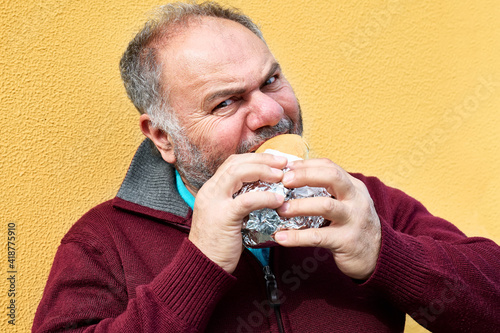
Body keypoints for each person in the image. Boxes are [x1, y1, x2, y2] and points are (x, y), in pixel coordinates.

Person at [33, 2, 500, 332]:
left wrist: (387, 253)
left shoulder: (362, 203)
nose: (272, 114)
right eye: (226, 102)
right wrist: (199, 267)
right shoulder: (101, 243)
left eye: (271, 81)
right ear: (162, 137)